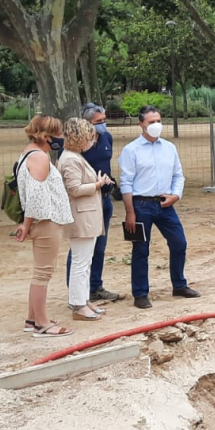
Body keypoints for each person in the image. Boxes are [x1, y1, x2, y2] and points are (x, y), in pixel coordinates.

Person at [119, 105, 200, 309]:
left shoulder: (169, 148)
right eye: (151, 122)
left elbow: (178, 175)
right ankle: (140, 293)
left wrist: (176, 195)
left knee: (179, 243)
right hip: (140, 205)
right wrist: (130, 212)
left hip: (165, 204)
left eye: (158, 121)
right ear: (141, 124)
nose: (156, 125)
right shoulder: (131, 150)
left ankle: (179, 284)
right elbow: (126, 182)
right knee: (140, 249)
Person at [13, 115, 75, 337]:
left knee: (41, 271)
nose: (61, 138)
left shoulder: (28, 153)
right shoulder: (39, 158)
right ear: (46, 136)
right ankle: (42, 323)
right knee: (43, 273)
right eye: (58, 134)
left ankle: (32, 318)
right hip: (46, 222)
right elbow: (36, 198)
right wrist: (26, 224)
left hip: (42, 221)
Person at [65, 103, 123, 303]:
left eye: (104, 120)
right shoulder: (74, 150)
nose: (103, 125)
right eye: (98, 122)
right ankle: (76, 292)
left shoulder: (107, 137)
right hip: (86, 201)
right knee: (80, 248)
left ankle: (95, 287)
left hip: (104, 200)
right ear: (86, 124)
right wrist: (96, 184)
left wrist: (110, 184)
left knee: (99, 246)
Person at [59, 118, 112, 321]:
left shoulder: (74, 156)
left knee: (85, 261)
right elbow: (73, 189)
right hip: (81, 216)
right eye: (90, 137)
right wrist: (97, 185)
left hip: (86, 215)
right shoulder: (71, 159)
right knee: (81, 262)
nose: (93, 141)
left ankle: (83, 300)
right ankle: (78, 305)